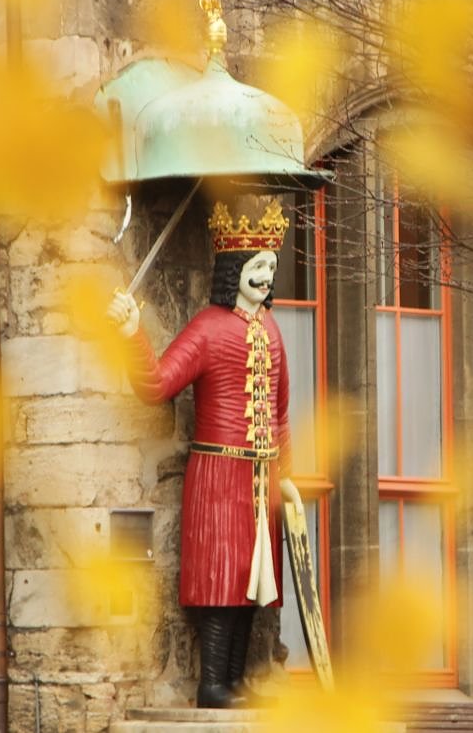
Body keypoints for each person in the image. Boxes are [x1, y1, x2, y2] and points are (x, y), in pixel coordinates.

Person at [107, 198, 304, 709]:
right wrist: (131, 335)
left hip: (261, 479)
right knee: (222, 575)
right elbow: (157, 384)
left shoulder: (273, 331)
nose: (265, 276)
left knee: (253, 582)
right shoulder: (208, 328)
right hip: (218, 474)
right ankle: (212, 684)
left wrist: (286, 473)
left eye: (271, 267)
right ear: (234, 269)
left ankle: (234, 682)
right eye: (257, 266)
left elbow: (280, 411)